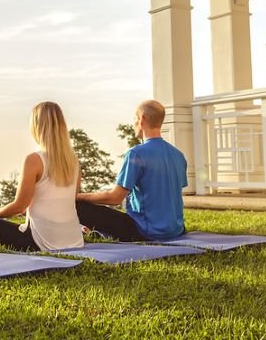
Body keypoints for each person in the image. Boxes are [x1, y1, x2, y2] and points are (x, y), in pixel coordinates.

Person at [0, 101, 84, 251]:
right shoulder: (74, 161)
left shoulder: (34, 159)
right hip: (74, 239)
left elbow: (19, 207)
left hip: (42, 242)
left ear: (36, 126)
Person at [76, 99, 187, 241]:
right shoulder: (178, 155)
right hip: (176, 230)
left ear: (141, 120)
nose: (133, 124)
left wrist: (78, 196)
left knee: (78, 206)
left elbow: (114, 198)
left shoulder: (135, 154)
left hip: (143, 231)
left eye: (134, 119)